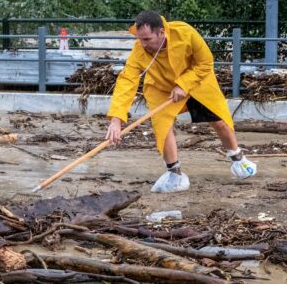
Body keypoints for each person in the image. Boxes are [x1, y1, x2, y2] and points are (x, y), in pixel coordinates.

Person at [105, 11, 257, 193]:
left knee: (219, 121)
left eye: (147, 39)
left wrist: (184, 84)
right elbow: (127, 80)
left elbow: (205, 62)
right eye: (140, 39)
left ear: (161, 32)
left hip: (197, 82)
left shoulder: (185, 33)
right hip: (161, 88)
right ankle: (174, 173)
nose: (142, 44)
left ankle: (238, 159)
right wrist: (116, 119)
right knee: (163, 126)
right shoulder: (140, 50)